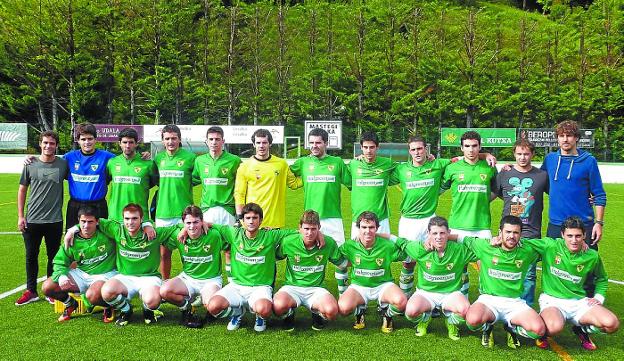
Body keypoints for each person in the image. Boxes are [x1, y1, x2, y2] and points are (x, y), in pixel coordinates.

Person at [65, 204, 175, 326]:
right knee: (106, 291)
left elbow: (176, 228)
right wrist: (73, 229)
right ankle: (126, 310)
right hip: (125, 277)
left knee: (152, 300)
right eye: (127, 219)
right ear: (123, 219)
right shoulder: (118, 230)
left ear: (141, 219)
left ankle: (147, 309)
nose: (130, 222)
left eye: (134, 219)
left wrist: (148, 225)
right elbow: (92, 221)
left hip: (149, 277)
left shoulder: (154, 233)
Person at [521, 217, 619, 351]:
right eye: (570, 236)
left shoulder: (592, 256)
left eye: (578, 236)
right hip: (553, 300)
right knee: (553, 328)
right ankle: (543, 329)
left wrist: (598, 298)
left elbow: (601, 278)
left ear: (584, 235)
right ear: (562, 235)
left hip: (579, 303)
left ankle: (582, 329)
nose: (574, 240)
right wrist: (498, 240)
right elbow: (523, 244)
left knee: (611, 324)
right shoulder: (550, 246)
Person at [206, 203, 302, 332]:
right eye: (248, 218)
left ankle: (260, 317)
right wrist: (186, 228)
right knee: (213, 306)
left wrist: (317, 234)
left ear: (261, 220)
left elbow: (298, 232)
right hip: (237, 286)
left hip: (260, 287)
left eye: (255, 218)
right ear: (243, 220)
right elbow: (209, 225)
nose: (251, 221)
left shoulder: (270, 235)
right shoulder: (234, 233)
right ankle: (237, 313)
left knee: (264, 309)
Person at [541, 120, 606, 296]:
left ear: (576, 138)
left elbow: (599, 194)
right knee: (554, 264)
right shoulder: (550, 159)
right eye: (561, 136)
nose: (565, 139)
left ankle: (589, 309)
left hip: (583, 224)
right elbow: (540, 182)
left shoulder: (588, 161)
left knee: (588, 268)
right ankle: (554, 301)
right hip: (556, 223)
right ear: (557, 139)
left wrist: (599, 223)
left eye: (569, 135)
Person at [388, 216, 477, 340]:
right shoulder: (420, 249)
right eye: (434, 233)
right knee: (410, 312)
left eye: (442, 233)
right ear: (428, 233)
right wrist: (379, 235)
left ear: (449, 233)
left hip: (451, 293)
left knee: (465, 312)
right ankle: (425, 318)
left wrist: (457, 238)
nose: (439, 237)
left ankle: (451, 323)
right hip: (425, 293)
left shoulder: (459, 250)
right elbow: (400, 241)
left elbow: (480, 247)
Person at [464, 216, 545, 349]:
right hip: (488, 300)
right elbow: (461, 238)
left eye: (516, 233)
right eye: (508, 232)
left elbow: (551, 249)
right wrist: (433, 240)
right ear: (500, 232)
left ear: (520, 235)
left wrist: (580, 243)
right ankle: (487, 326)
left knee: (538, 330)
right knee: (472, 321)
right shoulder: (485, 246)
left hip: (515, 302)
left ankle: (511, 327)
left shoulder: (527, 251)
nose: (511, 236)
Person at [290, 128, 351, 294]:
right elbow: (284, 173)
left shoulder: (337, 162)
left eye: (318, 142)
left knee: (342, 260)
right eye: (311, 143)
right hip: (310, 221)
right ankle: (307, 291)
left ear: (326, 143)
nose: (314, 146)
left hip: (333, 218)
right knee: (308, 257)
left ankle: (343, 294)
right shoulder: (303, 162)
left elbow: (352, 183)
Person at [16, 131, 68, 306]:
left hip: (54, 220)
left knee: (53, 256)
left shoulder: (63, 164)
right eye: (45, 143)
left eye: (52, 143)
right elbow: (22, 190)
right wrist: (21, 216)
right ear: (40, 144)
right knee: (31, 256)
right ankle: (31, 291)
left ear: (56, 145)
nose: (48, 146)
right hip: (32, 220)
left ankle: (50, 290)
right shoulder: (30, 164)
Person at [442, 130, 497, 295]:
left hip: (482, 225)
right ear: (461, 148)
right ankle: (462, 300)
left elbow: (497, 190)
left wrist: (482, 200)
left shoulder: (489, 167)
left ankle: (486, 300)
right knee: (460, 266)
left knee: (486, 266)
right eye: (467, 146)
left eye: (474, 146)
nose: (471, 150)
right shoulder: (452, 168)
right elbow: (439, 189)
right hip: (458, 224)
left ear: (480, 147)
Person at [494, 139, 548, 306]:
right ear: (514, 154)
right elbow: (495, 194)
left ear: (532, 154)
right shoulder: (504, 174)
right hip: (507, 231)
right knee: (504, 270)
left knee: (529, 274)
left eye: (526, 154)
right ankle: (503, 304)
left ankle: (526, 308)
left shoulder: (542, 176)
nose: (522, 157)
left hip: (531, 233)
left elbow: (559, 194)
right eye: (519, 154)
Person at [273, 210, 348, 331]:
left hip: (316, 289)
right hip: (292, 287)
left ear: (319, 228)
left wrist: (362, 259)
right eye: (306, 228)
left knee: (332, 311)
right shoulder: (288, 242)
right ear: (300, 228)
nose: (309, 233)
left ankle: (317, 313)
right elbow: (275, 258)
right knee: (278, 306)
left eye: (313, 229)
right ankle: (289, 314)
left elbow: (342, 263)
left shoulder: (328, 243)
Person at [42, 206, 116, 322]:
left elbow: (120, 227)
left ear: (97, 222)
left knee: (92, 296)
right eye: (83, 222)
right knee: (48, 287)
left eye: (90, 222)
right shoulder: (71, 239)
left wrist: (145, 225)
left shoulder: (107, 233)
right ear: (78, 221)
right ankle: (70, 303)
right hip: (82, 274)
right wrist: (61, 276)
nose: (86, 226)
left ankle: (108, 306)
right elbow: (59, 262)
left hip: (105, 274)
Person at [338, 211, 407, 333]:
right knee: (343, 309)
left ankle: (387, 314)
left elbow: (409, 252)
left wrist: (391, 237)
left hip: (383, 285)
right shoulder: (349, 246)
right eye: (364, 227)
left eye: (371, 227)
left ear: (377, 228)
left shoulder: (387, 246)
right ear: (358, 228)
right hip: (359, 287)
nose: (367, 231)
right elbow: (335, 258)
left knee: (401, 303)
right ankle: (359, 313)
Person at [160, 205, 228, 328]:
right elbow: (164, 233)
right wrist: (182, 228)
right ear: (183, 223)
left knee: (212, 306)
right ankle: (187, 307)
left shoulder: (214, 235)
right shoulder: (178, 234)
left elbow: (231, 233)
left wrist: (211, 224)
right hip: (188, 279)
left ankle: (212, 305)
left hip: (210, 281)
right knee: (164, 291)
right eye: (188, 223)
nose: (192, 226)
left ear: (202, 221)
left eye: (196, 222)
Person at [192, 126, 241, 285]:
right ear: (206, 141)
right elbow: (192, 180)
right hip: (207, 211)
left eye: (217, 139)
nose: (214, 142)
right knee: (208, 248)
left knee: (228, 250)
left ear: (223, 141)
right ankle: (209, 284)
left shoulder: (234, 160)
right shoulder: (200, 161)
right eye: (211, 139)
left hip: (227, 210)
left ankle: (233, 284)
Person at [234, 128, 300, 229]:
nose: (261, 146)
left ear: (270, 144)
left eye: (264, 142)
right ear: (253, 144)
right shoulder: (245, 166)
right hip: (252, 222)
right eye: (258, 142)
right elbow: (239, 194)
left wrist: (312, 176)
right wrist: (240, 217)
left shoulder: (281, 164)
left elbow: (294, 183)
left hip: (275, 222)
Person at [154, 124, 196, 279]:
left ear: (180, 140)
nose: (170, 142)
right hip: (163, 212)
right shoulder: (158, 159)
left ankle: (191, 282)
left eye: (174, 138)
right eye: (167, 139)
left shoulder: (190, 158)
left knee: (188, 250)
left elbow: (197, 178)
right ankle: (165, 282)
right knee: (164, 252)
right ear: (162, 141)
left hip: (184, 213)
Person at [64, 123, 116, 225]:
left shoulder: (107, 157)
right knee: (73, 237)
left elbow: (125, 161)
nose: (87, 142)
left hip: (98, 205)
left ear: (95, 140)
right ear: (78, 141)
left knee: (101, 238)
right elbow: (50, 162)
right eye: (83, 139)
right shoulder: (69, 157)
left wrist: (142, 157)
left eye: (90, 139)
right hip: (75, 205)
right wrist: (34, 160)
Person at [348, 132, 397, 238]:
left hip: (381, 219)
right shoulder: (353, 164)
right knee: (357, 252)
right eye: (365, 147)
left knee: (383, 251)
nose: (368, 151)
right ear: (361, 147)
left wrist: (428, 157)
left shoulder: (387, 163)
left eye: (372, 147)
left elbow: (407, 168)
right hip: (358, 218)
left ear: (377, 147)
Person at [106, 127, 157, 221]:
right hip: (115, 216)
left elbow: (154, 183)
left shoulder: (148, 164)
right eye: (125, 142)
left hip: (139, 217)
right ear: (119, 143)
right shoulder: (112, 163)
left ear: (136, 143)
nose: (128, 146)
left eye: (131, 142)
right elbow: (105, 182)